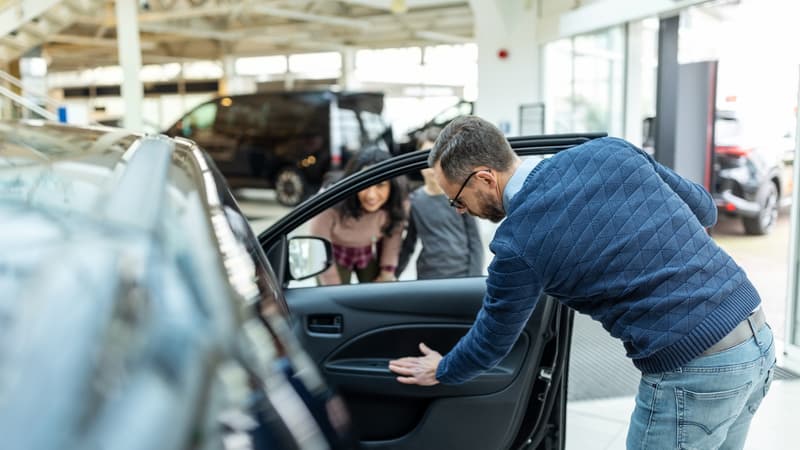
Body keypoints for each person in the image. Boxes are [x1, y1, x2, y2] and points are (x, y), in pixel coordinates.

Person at [388, 115, 775, 450]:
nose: (460, 211)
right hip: (756, 335)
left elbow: (493, 338)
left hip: (696, 367)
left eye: (457, 200)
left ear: (485, 178)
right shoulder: (611, 151)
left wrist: (442, 370)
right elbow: (704, 208)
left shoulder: (518, 240)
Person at [310, 145, 407, 285]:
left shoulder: (397, 203)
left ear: (392, 185)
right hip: (334, 254)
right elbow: (320, 249)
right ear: (352, 181)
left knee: (377, 296)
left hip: (367, 252)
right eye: (364, 184)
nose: (371, 196)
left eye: (380, 185)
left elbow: (393, 236)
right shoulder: (329, 203)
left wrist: (387, 272)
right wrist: (333, 290)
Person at [397, 127, 484, 279]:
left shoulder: (460, 194)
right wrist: (392, 274)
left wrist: (473, 279)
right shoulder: (414, 201)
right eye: (426, 156)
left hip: (461, 275)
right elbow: (408, 245)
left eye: (438, 158)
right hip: (428, 277)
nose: (431, 165)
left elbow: (475, 241)